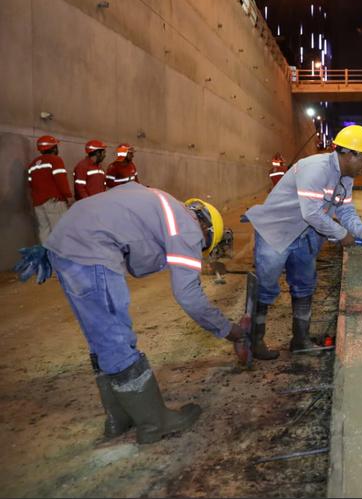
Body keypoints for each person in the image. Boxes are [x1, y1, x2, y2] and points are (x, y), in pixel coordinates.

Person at [16, 183, 246, 444]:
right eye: (204, 246)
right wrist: (228, 330)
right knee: (115, 336)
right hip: (93, 250)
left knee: (100, 336)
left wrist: (56, 246)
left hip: (65, 242)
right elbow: (189, 297)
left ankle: (120, 416)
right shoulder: (188, 229)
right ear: (207, 229)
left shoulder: (155, 199)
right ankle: (154, 423)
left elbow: (103, 212)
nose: (198, 250)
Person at [244, 125, 362, 359]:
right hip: (277, 230)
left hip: (306, 235)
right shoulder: (315, 169)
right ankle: (253, 341)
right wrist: (341, 234)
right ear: (349, 154)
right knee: (266, 286)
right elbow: (312, 213)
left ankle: (301, 340)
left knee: (304, 285)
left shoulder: (346, 178)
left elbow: (345, 211)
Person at [26, 134, 72, 243]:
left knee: (44, 230)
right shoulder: (55, 160)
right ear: (53, 147)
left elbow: (30, 185)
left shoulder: (32, 164)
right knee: (60, 230)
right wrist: (68, 196)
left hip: (38, 203)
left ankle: (46, 256)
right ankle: (58, 257)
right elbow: (61, 180)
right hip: (54, 201)